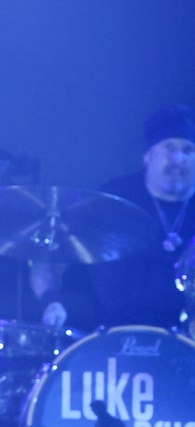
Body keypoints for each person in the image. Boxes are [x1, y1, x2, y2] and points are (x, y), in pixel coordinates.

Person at [33, 104, 195, 333]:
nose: (178, 158)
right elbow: (49, 259)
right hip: (113, 339)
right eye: (169, 148)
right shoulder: (112, 200)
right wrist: (51, 302)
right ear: (148, 156)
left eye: (188, 149)